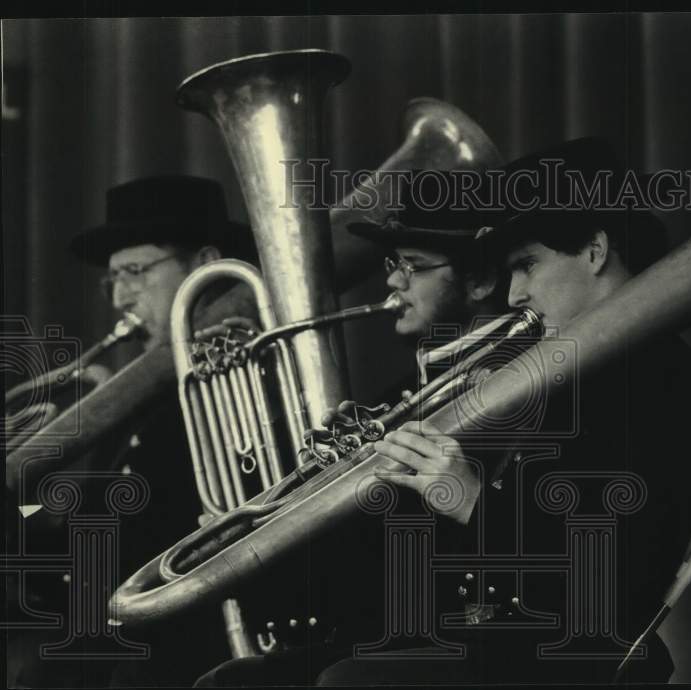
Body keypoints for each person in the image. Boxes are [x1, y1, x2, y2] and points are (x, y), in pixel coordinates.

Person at [314, 138, 691, 685]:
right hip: (501, 639)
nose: (513, 295)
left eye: (527, 265)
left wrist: (471, 501)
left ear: (596, 251)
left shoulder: (658, 377)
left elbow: (613, 574)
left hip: (572, 654)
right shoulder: (568, 372)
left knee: (347, 683)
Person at [193, 173, 513, 687]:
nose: (392, 282)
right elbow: (351, 566)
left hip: (462, 637)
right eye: (393, 264)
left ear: (479, 281)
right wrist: (250, 530)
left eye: (414, 266)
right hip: (376, 632)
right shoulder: (403, 391)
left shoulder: (513, 381)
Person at [6, 175, 255, 688]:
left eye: (136, 271)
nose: (120, 296)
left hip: (184, 645)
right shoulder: (136, 398)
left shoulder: (237, 380)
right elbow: (86, 528)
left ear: (205, 264)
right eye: (112, 279)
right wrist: (21, 506)